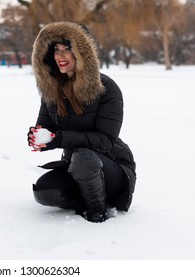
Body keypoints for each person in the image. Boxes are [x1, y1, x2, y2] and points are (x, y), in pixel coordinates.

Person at [28, 21, 136, 223]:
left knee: (84, 157)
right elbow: (46, 126)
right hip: (75, 164)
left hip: (112, 167)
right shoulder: (52, 89)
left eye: (67, 49)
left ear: (82, 51)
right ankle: (85, 192)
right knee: (45, 191)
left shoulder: (106, 88)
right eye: (56, 50)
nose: (60, 56)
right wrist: (39, 137)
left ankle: (96, 211)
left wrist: (59, 139)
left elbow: (105, 140)